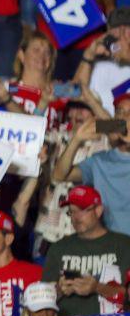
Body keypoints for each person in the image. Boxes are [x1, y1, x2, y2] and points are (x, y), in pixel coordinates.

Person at [42, 185, 130, 316]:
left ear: (98, 210)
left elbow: (127, 296)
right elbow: (42, 301)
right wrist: (60, 290)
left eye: (82, 210)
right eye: (71, 211)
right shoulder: (58, 248)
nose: (76, 217)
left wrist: (97, 287)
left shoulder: (123, 245)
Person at [53, 99, 130, 235]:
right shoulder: (100, 160)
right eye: (120, 112)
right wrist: (76, 140)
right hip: (111, 247)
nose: (125, 117)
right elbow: (59, 175)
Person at [79, 8, 130, 116]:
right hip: (109, 127)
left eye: (126, 30)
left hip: (120, 128)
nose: (121, 37)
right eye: (115, 31)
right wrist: (88, 55)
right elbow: (74, 93)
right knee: (86, 128)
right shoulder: (98, 68)